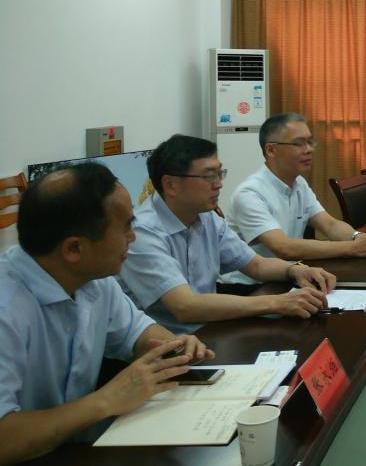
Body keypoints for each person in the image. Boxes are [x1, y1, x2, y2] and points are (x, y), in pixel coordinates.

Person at [0, 163, 214, 461]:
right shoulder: (8, 309)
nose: (133, 237)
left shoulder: (94, 280)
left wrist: (173, 347)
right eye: (126, 226)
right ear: (74, 249)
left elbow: (139, 333)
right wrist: (107, 400)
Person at [118, 134, 337, 334]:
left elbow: (256, 265)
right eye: (209, 176)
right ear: (171, 184)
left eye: (219, 173)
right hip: (167, 346)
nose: (219, 184)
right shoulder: (142, 232)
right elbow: (184, 307)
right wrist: (278, 303)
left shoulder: (206, 216)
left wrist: (296, 270)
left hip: (210, 329)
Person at [222, 113, 366, 285]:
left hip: (291, 274)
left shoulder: (298, 183)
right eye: (298, 143)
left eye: (310, 142)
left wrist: (358, 238)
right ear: (271, 150)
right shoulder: (250, 194)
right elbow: (283, 247)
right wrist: (354, 248)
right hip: (249, 287)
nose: (308, 150)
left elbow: (330, 225)